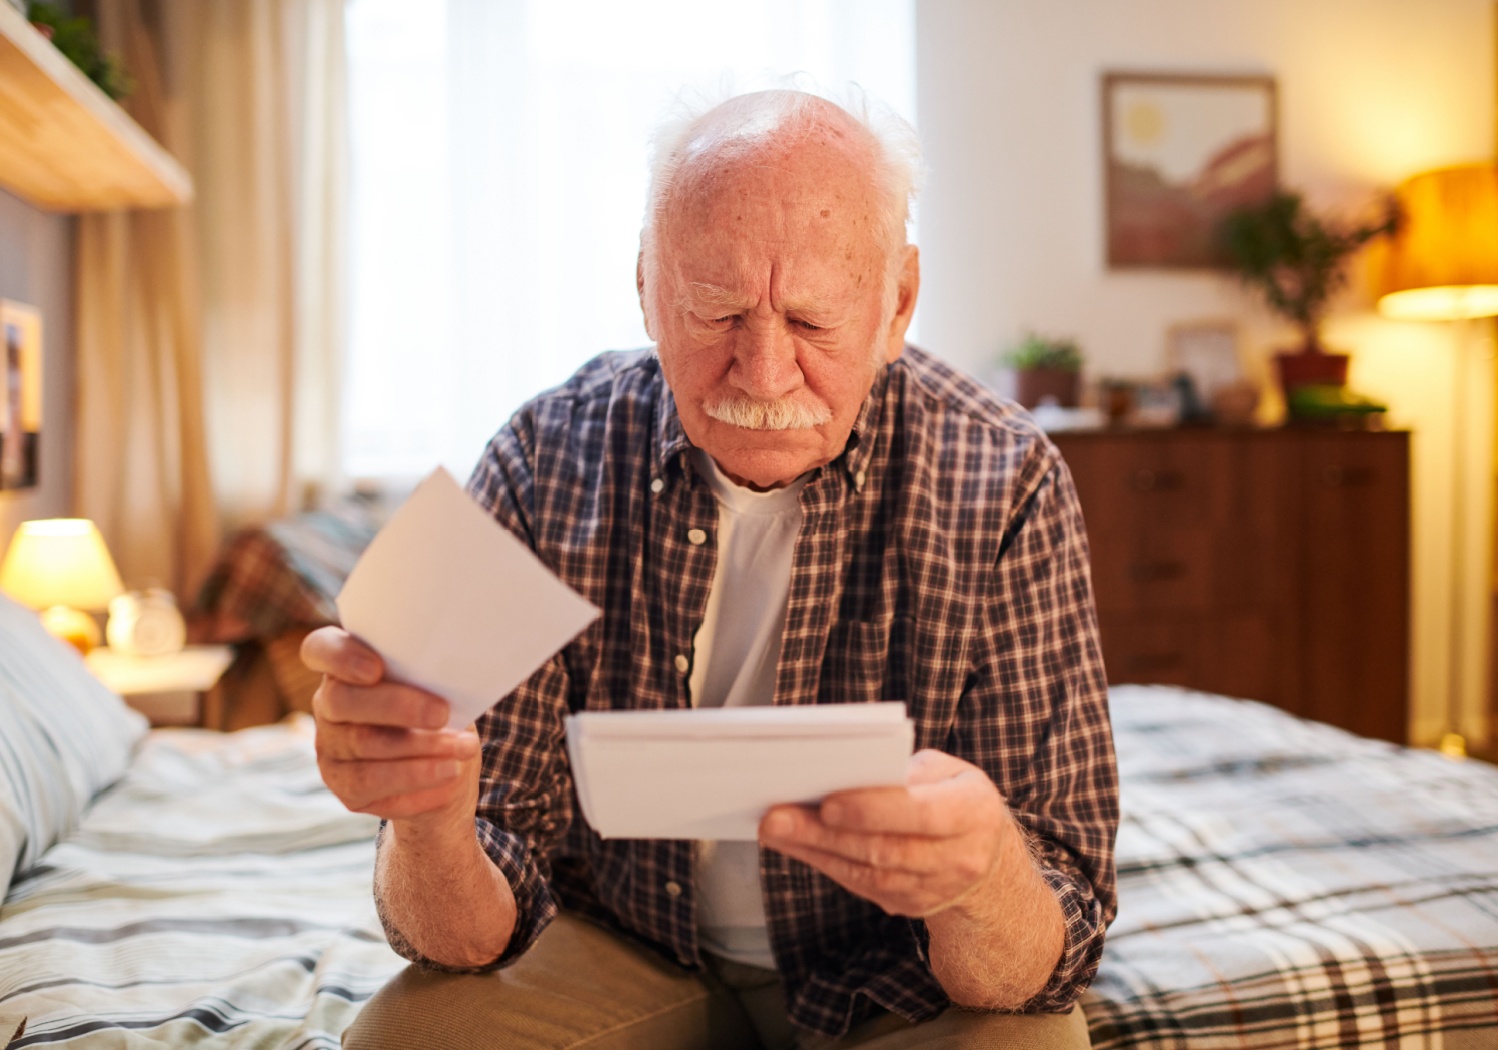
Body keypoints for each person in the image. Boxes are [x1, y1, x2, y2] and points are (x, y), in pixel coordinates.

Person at [305, 86, 1117, 1050]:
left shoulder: (1006, 477)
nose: (764, 374)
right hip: (624, 943)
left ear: (897, 303)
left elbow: (1053, 938)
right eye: (714, 308)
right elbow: (466, 934)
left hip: (897, 968)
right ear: (648, 288)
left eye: (812, 321)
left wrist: (982, 880)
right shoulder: (541, 458)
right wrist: (428, 824)